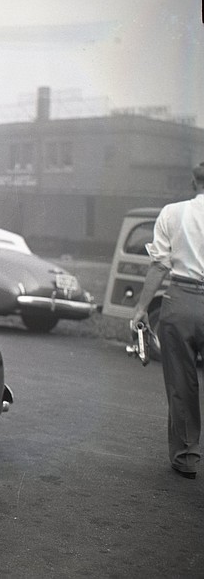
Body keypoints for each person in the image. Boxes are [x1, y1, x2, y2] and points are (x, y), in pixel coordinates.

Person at [131, 161, 204, 480]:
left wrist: (141, 309)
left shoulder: (173, 213)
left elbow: (159, 265)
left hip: (181, 299)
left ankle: (187, 456)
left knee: (182, 382)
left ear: (193, 182)